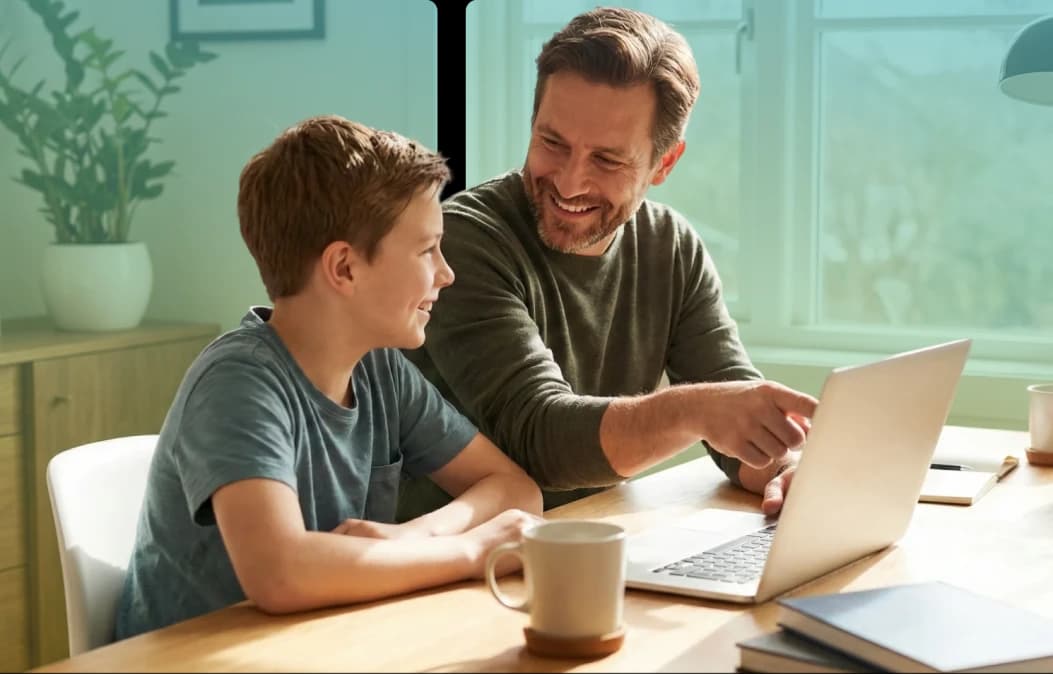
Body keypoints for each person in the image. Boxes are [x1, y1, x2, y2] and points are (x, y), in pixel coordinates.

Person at [115, 115, 543, 640]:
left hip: (314, 643)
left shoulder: (381, 370)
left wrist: (416, 536)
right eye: (426, 250)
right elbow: (279, 573)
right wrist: (471, 551)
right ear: (344, 268)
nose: (446, 273)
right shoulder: (238, 384)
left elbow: (515, 489)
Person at [400, 7, 818, 520]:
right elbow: (537, 438)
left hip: (588, 539)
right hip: (452, 554)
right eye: (552, 142)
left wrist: (788, 469)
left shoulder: (671, 248)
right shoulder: (461, 241)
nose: (569, 182)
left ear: (665, 163)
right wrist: (697, 410)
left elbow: (740, 421)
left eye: (607, 159)